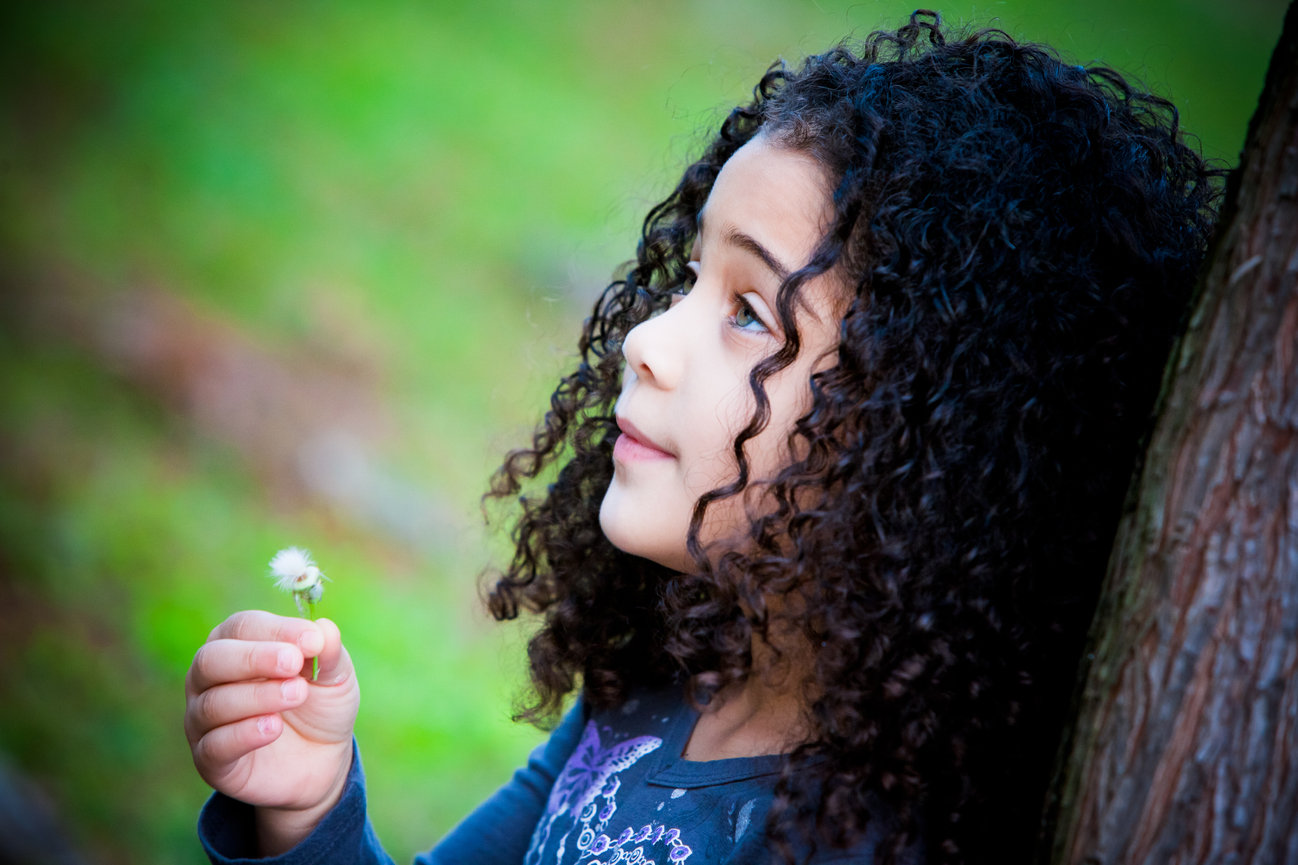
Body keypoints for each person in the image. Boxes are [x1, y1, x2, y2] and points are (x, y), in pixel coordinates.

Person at [184, 12, 1221, 865]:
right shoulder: (666, 678)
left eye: (751, 315)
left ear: (931, 441)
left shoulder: (860, 839)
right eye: (689, 279)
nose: (643, 339)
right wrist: (309, 812)